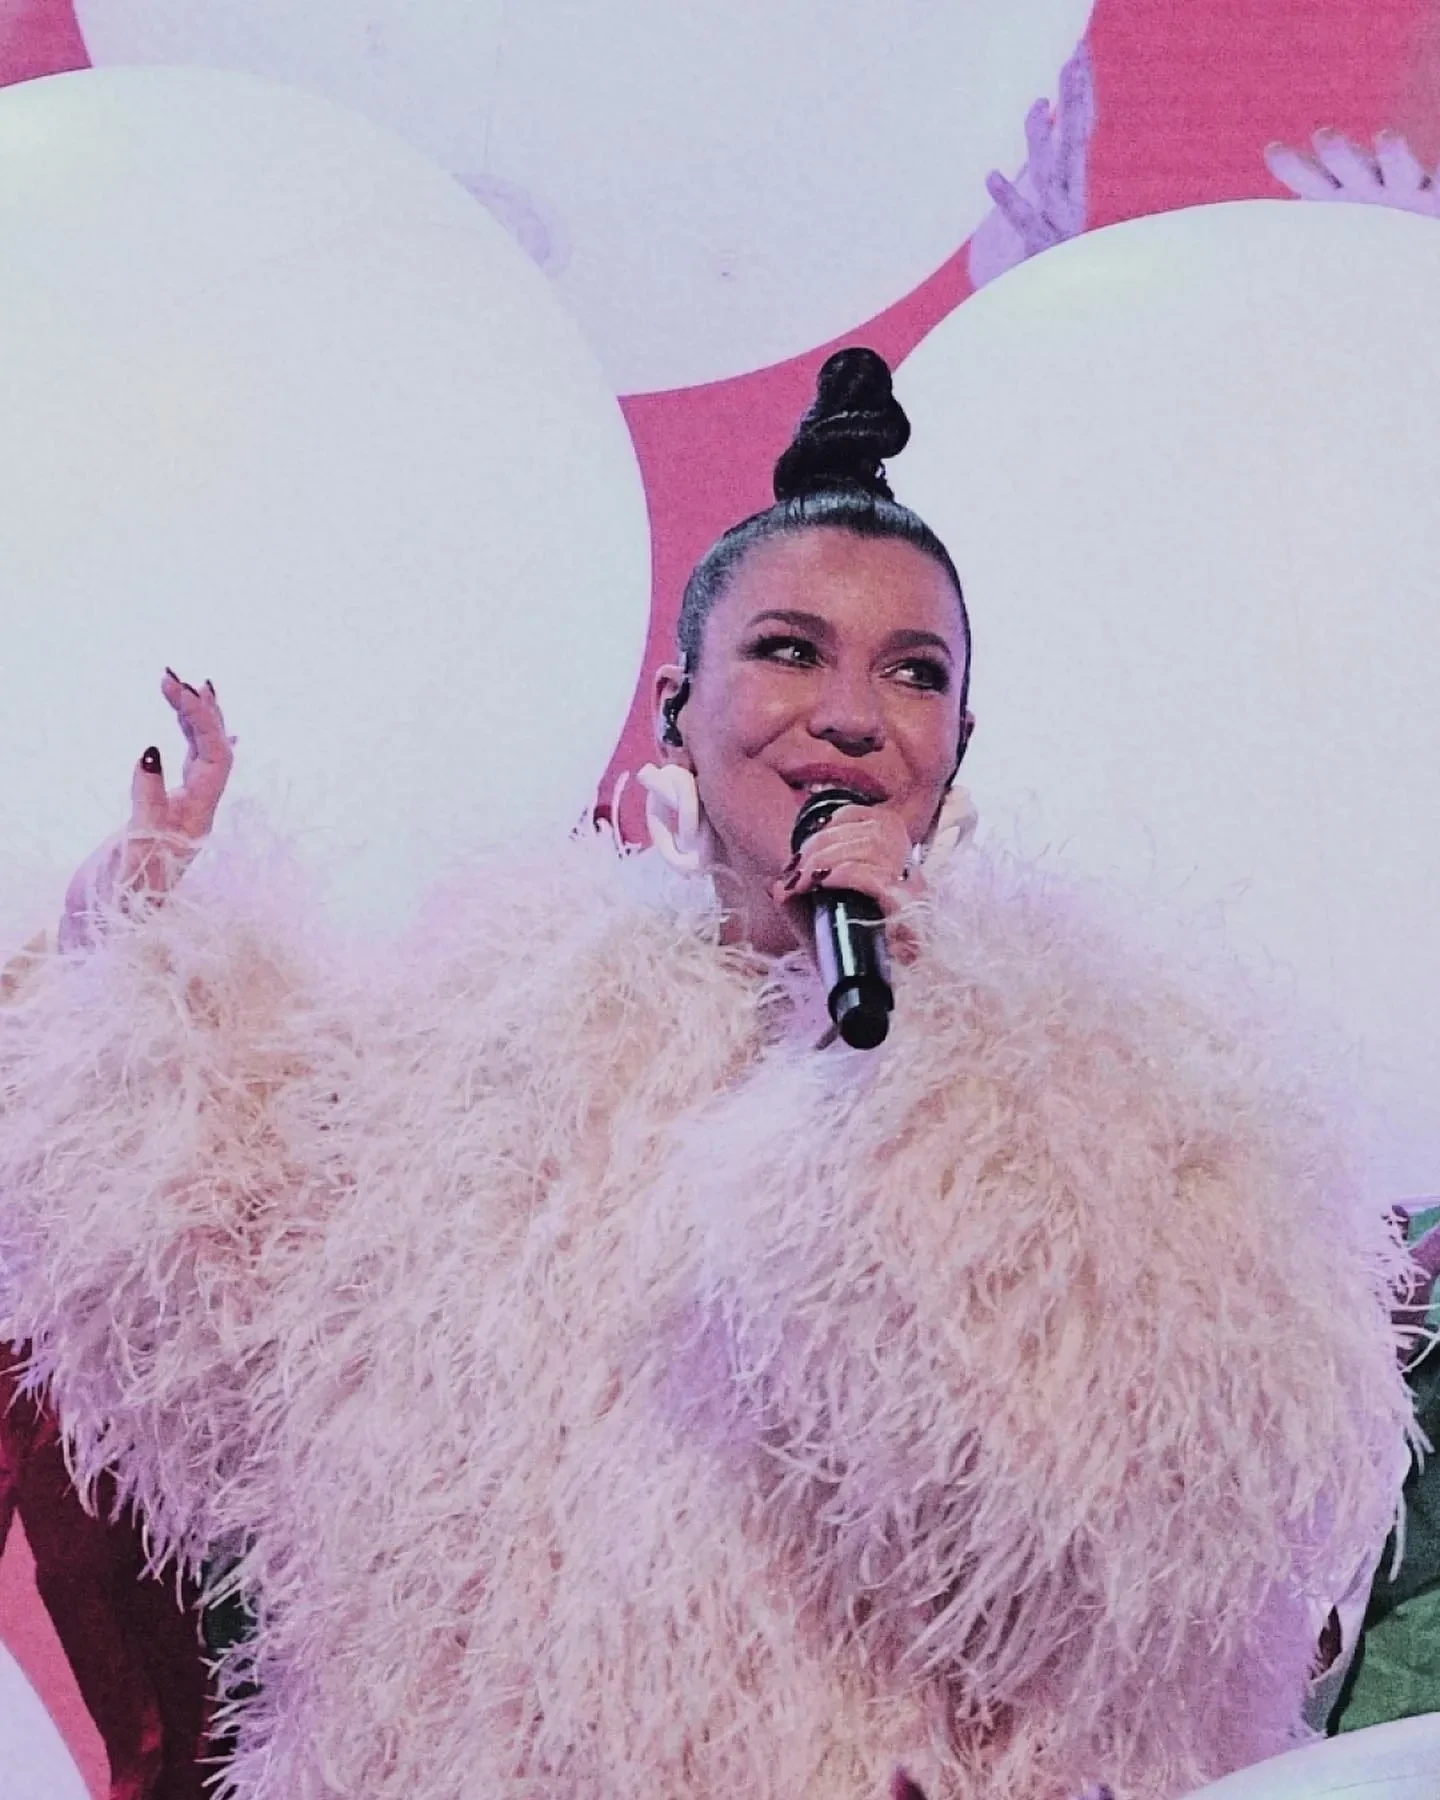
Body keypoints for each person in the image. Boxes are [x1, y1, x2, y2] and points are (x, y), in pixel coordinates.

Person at [0, 348, 1414, 1800]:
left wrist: (918, 1063)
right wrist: (140, 962)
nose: (852, 713)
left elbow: (1124, 1542)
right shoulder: (488, 1023)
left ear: (959, 743)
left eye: (913, 674)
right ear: (679, 703)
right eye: (790, 652)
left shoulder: (1120, 1080)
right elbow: (227, 1356)